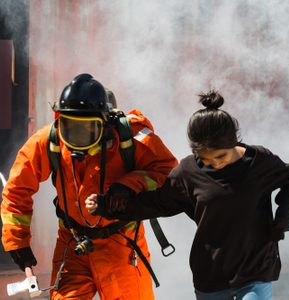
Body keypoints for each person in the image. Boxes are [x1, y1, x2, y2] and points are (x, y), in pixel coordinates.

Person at [86, 90, 289, 300]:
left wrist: (282, 217)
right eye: (206, 159)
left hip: (255, 269)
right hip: (211, 274)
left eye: (221, 155)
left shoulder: (260, 161)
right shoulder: (187, 173)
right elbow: (156, 204)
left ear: (234, 142)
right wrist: (107, 206)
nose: (216, 163)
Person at [1, 73, 178, 300]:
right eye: (70, 127)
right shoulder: (49, 140)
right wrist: (17, 242)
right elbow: (16, 189)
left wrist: (127, 188)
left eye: (87, 129)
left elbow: (168, 172)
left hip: (121, 245)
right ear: (58, 120)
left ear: (105, 123)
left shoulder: (133, 137)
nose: (77, 137)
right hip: (72, 243)